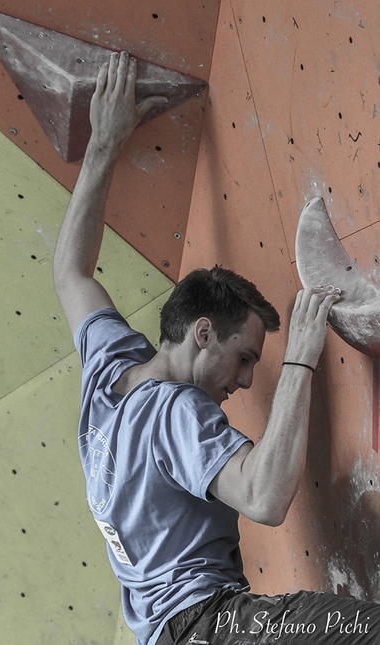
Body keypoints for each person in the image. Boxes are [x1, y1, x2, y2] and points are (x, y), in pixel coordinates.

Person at [53, 51, 380, 644]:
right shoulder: (173, 410)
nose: (248, 381)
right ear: (202, 333)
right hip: (214, 627)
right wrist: (303, 357)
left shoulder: (108, 379)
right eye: (246, 357)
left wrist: (104, 146)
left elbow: (72, 273)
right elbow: (263, 496)